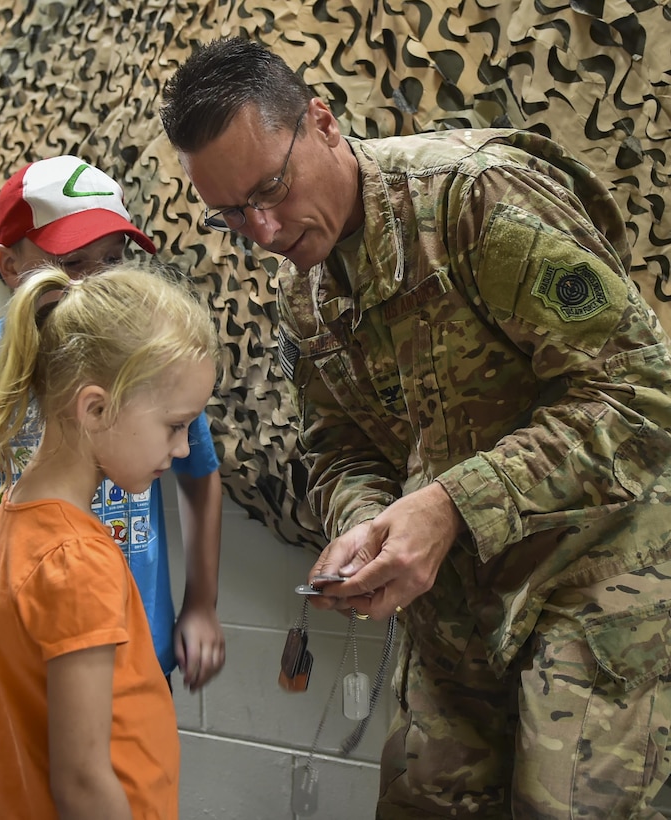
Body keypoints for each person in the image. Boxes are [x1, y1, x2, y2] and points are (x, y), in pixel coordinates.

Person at [160, 36, 671, 818]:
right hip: (457, 618)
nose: (262, 231)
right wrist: (364, 524)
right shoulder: (307, 291)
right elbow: (339, 450)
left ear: (323, 123)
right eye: (231, 213)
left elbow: (640, 394)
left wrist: (448, 505)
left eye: (271, 187)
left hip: (594, 592)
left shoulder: (476, 196)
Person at [0, 156, 224, 732]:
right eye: (72, 263)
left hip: (135, 644)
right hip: (18, 652)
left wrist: (200, 603)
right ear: (10, 264)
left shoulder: (149, 361)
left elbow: (200, 474)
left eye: (113, 262)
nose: (95, 283)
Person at [0, 260, 219, 818]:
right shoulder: (73, 560)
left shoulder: (14, 522)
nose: (181, 449)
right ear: (96, 408)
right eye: (175, 425)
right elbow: (81, 781)